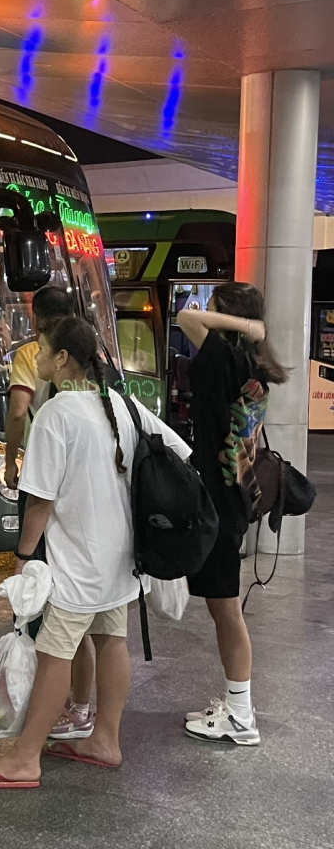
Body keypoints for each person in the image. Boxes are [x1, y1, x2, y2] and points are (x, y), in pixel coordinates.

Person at [0, 316, 191, 789]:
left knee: (53, 653)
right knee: (111, 641)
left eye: (42, 348)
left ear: (62, 358)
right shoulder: (122, 404)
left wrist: (23, 557)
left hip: (76, 564)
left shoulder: (58, 414)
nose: (37, 356)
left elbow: (41, 499)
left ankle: (25, 759)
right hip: (122, 561)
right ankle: (105, 739)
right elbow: (179, 453)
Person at [176, 283, 287, 746]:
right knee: (224, 607)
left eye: (214, 307)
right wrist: (250, 328)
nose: (206, 312)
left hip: (220, 503)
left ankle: (241, 716)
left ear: (229, 316)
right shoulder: (251, 365)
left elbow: (185, 318)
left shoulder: (225, 357)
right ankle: (236, 703)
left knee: (225, 610)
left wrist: (245, 326)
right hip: (234, 496)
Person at [3, 285, 96, 744]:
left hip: (51, 492)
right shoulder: (98, 369)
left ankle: (40, 719)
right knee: (96, 625)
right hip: (94, 511)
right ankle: (82, 707)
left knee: (49, 615)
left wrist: (8, 459)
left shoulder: (50, 398)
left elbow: (19, 410)